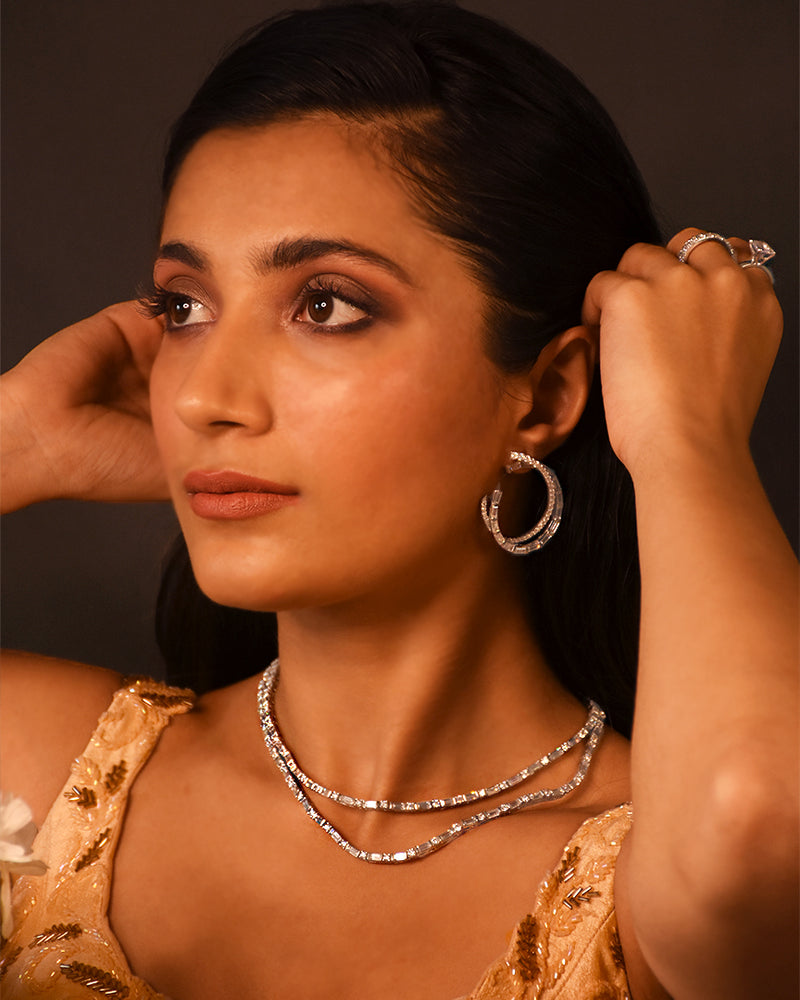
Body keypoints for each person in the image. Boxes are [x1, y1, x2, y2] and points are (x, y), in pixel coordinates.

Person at [1, 3, 796, 998]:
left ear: (546, 394)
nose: (202, 396)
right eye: (184, 308)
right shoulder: (42, 774)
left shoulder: (654, 870)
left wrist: (682, 437)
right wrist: (14, 437)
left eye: (325, 304)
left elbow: (752, 820)